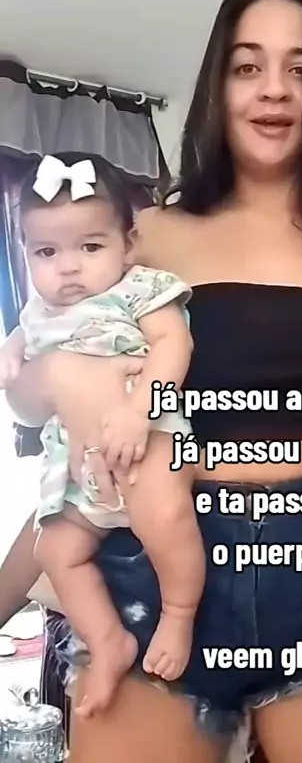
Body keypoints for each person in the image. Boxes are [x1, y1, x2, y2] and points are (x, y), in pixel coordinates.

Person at [6, 0, 302, 763]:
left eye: (300, 68)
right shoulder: (146, 237)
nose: (273, 89)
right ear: (218, 86)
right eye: (248, 66)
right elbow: (62, 420)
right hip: (152, 568)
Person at [0, 154, 205, 717]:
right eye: (46, 252)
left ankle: (179, 614)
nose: (68, 268)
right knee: (54, 548)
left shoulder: (141, 289)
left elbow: (174, 344)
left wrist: (141, 410)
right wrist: (11, 356)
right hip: (77, 472)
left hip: (147, 440)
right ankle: (108, 639)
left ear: (128, 245)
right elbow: (21, 344)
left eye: (90, 247)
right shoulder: (38, 310)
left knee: (166, 518)